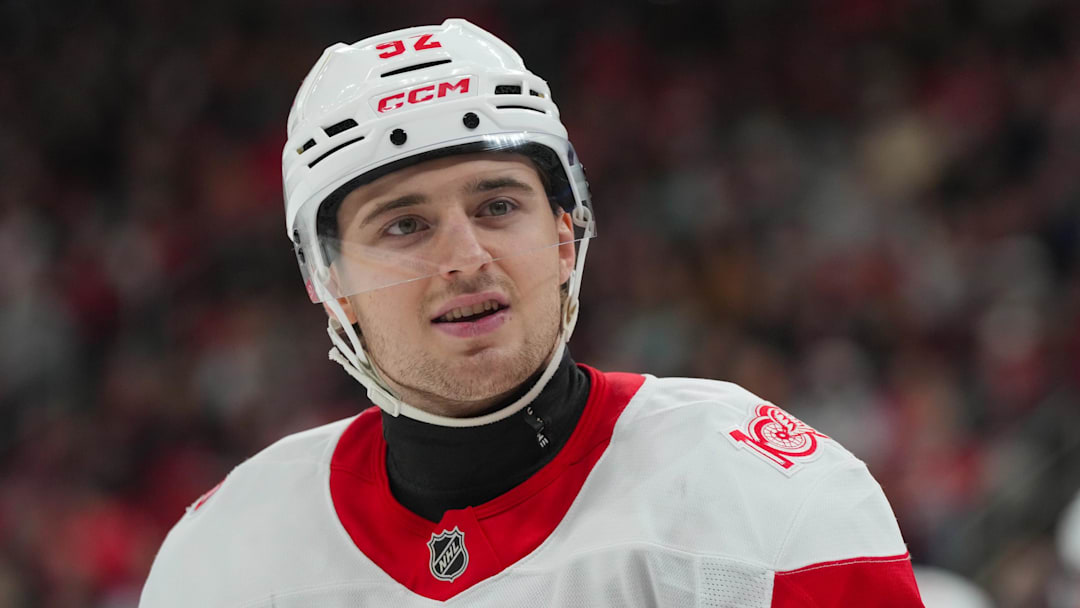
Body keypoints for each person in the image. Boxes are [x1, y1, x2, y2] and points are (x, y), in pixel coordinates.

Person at [140, 18, 925, 607]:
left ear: (562, 236)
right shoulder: (221, 560)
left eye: (497, 204)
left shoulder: (758, 495)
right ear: (327, 281)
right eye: (404, 224)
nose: (465, 256)